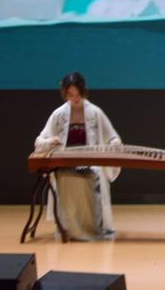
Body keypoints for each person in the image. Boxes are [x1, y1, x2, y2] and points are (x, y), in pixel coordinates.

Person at [34, 72, 123, 241]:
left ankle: (93, 228)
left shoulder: (95, 112)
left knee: (93, 175)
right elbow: (39, 141)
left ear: (83, 92)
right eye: (70, 95)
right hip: (66, 163)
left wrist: (115, 143)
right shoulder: (59, 114)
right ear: (65, 94)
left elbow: (112, 137)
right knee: (65, 177)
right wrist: (51, 141)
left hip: (92, 162)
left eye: (78, 94)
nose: (74, 98)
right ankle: (69, 228)